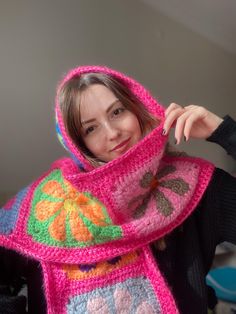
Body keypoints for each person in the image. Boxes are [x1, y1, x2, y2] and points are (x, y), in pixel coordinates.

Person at [0, 65, 236, 314]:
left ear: (136, 108)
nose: (113, 133)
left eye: (117, 112)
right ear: (77, 143)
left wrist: (224, 132)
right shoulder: (41, 206)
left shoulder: (197, 187)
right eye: (90, 129)